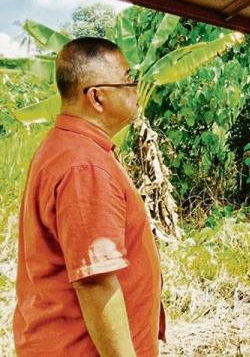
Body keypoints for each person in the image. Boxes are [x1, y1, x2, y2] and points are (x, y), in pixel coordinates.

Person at [13, 37, 164, 356]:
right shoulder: (84, 165)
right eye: (127, 78)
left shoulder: (71, 151)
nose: (135, 87)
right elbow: (95, 281)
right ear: (97, 97)